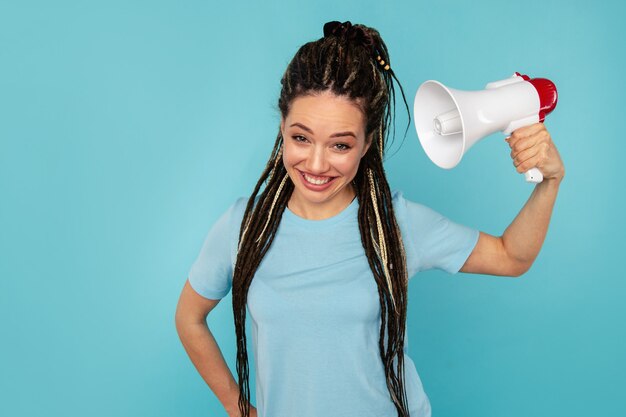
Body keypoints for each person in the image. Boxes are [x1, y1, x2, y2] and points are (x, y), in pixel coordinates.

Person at [174, 21, 565, 417]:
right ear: (282, 128)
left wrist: (549, 181)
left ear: (368, 142)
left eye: (340, 144)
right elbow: (189, 317)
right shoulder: (244, 227)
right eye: (301, 137)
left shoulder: (395, 223)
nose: (316, 163)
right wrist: (235, 405)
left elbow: (512, 257)